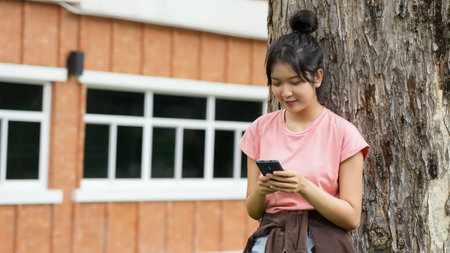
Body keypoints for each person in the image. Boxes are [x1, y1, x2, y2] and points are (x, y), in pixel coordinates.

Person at [239, 9, 370, 253]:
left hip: (322, 244)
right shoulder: (259, 129)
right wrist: (262, 189)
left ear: (317, 77)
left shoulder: (343, 133)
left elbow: (351, 218)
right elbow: (253, 210)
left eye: (295, 82)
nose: (285, 92)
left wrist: (303, 187)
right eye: (276, 83)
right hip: (270, 242)